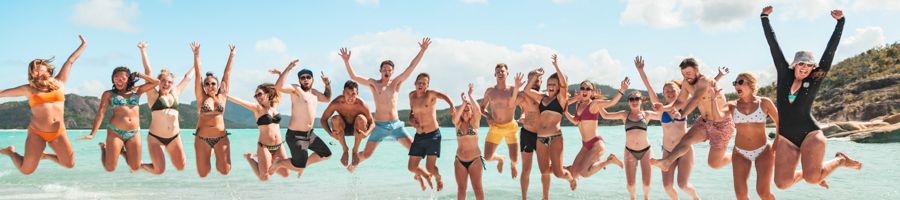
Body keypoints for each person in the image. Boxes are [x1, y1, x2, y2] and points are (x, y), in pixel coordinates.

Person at [760, 6, 861, 190]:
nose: (805, 68)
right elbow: (773, 45)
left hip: (811, 135)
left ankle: (839, 160)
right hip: (786, 137)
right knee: (782, 183)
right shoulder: (785, 74)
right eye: (802, 64)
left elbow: (830, 52)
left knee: (812, 179)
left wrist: (841, 23)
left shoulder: (814, 79)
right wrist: (764, 18)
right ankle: (813, 171)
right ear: (795, 64)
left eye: (809, 65)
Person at [337, 37, 431, 166]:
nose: (387, 71)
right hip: (379, 125)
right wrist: (347, 61)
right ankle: (351, 168)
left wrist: (422, 50)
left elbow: (411, 66)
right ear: (380, 71)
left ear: (392, 72)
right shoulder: (374, 84)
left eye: (389, 70)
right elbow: (354, 77)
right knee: (366, 154)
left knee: (416, 150)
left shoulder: (396, 83)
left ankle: (418, 173)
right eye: (384, 69)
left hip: (396, 125)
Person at [0, 35, 86, 175]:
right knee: (26, 170)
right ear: (31, 73)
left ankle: (45, 156)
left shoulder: (59, 83)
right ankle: (11, 152)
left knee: (69, 164)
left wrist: (83, 45)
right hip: (37, 133)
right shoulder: (28, 89)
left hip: (58, 133)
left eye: (40, 68)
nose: (37, 71)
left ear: (48, 70)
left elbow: (70, 61)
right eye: (34, 69)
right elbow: (2, 93)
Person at [82, 41, 159, 172]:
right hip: (115, 132)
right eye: (116, 77)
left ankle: (122, 152)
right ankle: (104, 148)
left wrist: (140, 75)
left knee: (135, 167)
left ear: (128, 79)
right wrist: (92, 133)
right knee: (110, 168)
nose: (119, 79)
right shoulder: (108, 94)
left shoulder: (137, 91)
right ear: (112, 79)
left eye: (123, 77)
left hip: (134, 132)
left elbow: (156, 82)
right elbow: (100, 113)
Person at [649, 57, 733, 172]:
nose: (686, 76)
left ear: (696, 69)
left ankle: (737, 154)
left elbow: (695, 99)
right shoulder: (686, 83)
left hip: (722, 124)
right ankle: (666, 163)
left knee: (714, 163)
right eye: (683, 74)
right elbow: (679, 101)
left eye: (688, 73)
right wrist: (664, 108)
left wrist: (682, 114)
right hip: (704, 122)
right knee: (685, 140)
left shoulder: (705, 80)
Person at [634, 56, 700, 199]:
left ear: (680, 91)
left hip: (684, 150)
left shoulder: (684, 105)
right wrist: (641, 71)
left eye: (673, 91)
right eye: (667, 91)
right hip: (667, 151)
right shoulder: (660, 108)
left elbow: (700, 93)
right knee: (668, 187)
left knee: (683, 185)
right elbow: (649, 88)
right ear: (663, 94)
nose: (670, 93)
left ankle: (696, 198)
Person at [715, 73, 779, 200]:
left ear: (750, 84)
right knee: (741, 196)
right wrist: (713, 98)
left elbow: (779, 122)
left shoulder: (764, 102)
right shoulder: (732, 105)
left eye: (740, 82)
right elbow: (717, 117)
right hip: (740, 152)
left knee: (763, 192)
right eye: (735, 83)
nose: (736, 86)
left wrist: (777, 142)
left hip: (763, 151)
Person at [268, 60, 333, 177]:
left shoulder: (315, 93)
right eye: (302, 78)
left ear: (312, 79)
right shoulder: (296, 89)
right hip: (295, 136)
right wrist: (288, 68)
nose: (305, 79)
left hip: (310, 135)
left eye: (308, 77)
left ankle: (303, 165)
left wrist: (327, 84)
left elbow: (327, 98)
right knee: (298, 167)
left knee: (326, 154)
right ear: (299, 80)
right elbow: (278, 87)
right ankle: (280, 163)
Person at [521, 54, 577, 191]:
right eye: (549, 84)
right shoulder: (542, 97)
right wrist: (536, 76)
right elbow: (526, 90)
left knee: (558, 173)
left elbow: (564, 84)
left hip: (555, 138)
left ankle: (570, 178)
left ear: (558, 87)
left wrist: (556, 66)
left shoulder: (561, 99)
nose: (551, 86)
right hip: (540, 139)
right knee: (544, 172)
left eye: (554, 84)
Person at [139, 42, 194, 175]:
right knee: (159, 170)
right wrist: (143, 51)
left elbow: (188, 78)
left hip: (174, 137)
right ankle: (138, 164)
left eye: (169, 82)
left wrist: (196, 59)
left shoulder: (175, 93)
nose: (166, 84)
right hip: (156, 137)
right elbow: (148, 72)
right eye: (163, 81)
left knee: (181, 166)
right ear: (159, 81)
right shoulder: (152, 94)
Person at [601, 91, 664, 200]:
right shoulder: (625, 114)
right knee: (630, 185)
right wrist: (597, 103)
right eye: (631, 99)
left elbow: (662, 116)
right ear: (628, 102)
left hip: (646, 151)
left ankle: (646, 197)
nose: (634, 101)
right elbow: (605, 115)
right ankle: (632, 197)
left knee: (646, 185)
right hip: (630, 151)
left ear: (641, 101)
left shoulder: (647, 114)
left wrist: (660, 108)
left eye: (637, 99)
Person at [563, 79, 627, 180]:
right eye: (582, 88)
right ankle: (575, 166)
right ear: (580, 91)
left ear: (591, 92)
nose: (585, 90)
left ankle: (609, 161)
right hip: (585, 145)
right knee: (574, 175)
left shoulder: (594, 104)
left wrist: (622, 90)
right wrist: (566, 112)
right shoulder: (578, 104)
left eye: (588, 88)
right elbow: (575, 121)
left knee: (584, 173)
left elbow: (612, 102)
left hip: (596, 144)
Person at [228, 82, 291, 181]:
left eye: (259, 94)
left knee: (286, 173)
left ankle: (269, 160)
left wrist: (281, 74)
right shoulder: (258, 108)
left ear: (267, 93)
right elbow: (241, 102)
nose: (257, 97)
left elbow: (279, 89)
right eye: (256, 95)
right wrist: (225, 95)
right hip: (264, 146)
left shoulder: (274, 105)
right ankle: (250, 158)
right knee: (264, 177)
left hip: (279, 146)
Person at [190, 42, 235, 177]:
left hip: (221, 138)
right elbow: (198, 74)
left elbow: (227, 73)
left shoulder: (222, 96)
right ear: (204, 86)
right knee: (203, 173)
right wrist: (196, 54)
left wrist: (231, 55)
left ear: (217, 85)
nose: (210, 86)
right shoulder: (201, 98)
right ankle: (209, 151)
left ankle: (215, 150)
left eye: (213, 84)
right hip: (203, 138)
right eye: (207, 84)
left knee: (225, 171)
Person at [404, 73, 455, 191]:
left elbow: (444, 95)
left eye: (424, 83)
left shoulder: (430, 94)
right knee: (411, 167)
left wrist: (451, 105)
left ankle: (438, 177)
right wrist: (411, 120)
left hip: (433, 135)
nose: (421, 85)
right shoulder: (411, 96)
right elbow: (412, 113)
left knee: (430, 167)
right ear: (415, 83)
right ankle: (425, 176)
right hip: (419, 136)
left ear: (427, 86)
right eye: (419, 82)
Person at [320, 80, 374, 171]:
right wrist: (330, 133)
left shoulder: (362, 104)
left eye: (353, 94)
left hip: (357, 128)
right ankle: (345, 150)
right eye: (348, 93)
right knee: (335, 119)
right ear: (343, 93)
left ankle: (355, 151)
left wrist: (367, 133)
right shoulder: (336, 103)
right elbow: (323, 119)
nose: (350, 97)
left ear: (357, 94)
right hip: (342, 128)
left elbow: (372, 122)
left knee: (361, 118)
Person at [480, 63, 522, 177]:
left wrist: (523, 116)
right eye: (498, 71)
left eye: (502, 71)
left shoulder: (513, 89)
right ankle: (500, 159)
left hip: (510, 127)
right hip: (495, 127)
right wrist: (488, 116)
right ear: (495, 74)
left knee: (515, 159)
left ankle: (512, 165)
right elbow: (481, 108)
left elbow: (524, 106)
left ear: (507, 73)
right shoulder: (490, 91)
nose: (500, 73)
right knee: (488, 157)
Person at [453, 84, 485, 200]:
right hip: (460, 160)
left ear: (471, 111)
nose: (466, 111)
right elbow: (456, 117)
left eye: (468, 109)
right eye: (464, 110)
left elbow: (478, 110)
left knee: (478, 188)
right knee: (461, 189)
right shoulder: (457, 124)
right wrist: (463, 103)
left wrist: (470, 95)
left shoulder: (475, 123)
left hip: (475, 160)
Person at [515, 69, 544, 200]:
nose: (536, 82)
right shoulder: (523, 95)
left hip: (543, 135)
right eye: (533, 79)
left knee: (546, 168)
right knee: (526, 169)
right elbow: (513, 105)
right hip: (527, 134)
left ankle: (545, 197)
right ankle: (524, 198)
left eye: (538, 79)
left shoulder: (546, 96)